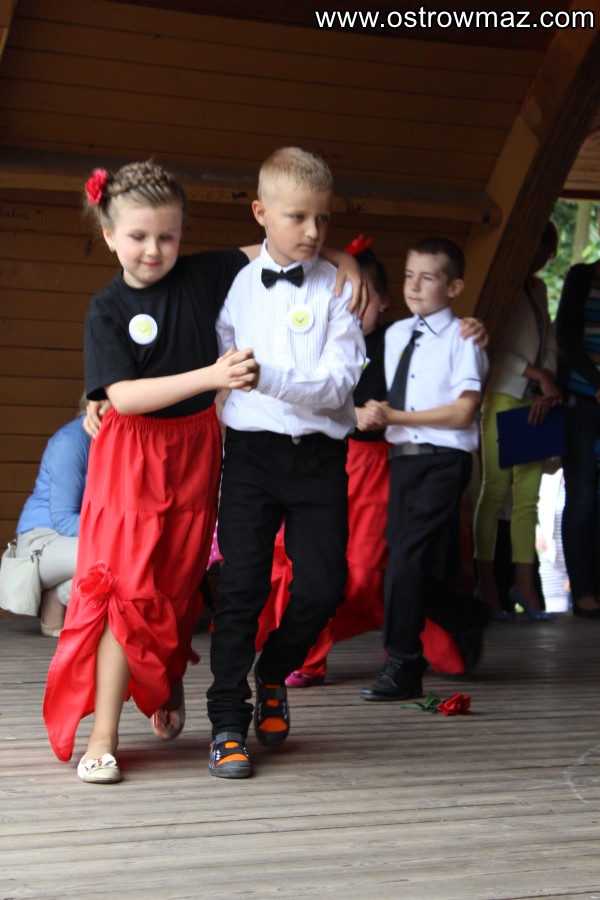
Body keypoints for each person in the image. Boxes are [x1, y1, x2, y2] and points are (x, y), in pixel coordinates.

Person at [44, 160, 364, 785]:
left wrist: (343, 260)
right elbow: (125, 394)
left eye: (167, 236)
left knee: (179, 582)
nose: (154, 249)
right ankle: (114, 734)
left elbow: (280, 242)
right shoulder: (107, 306)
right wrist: (211, 378)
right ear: (108, 235)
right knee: (127, 587)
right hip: (135, 457)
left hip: (196, 451)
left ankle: (169, 684)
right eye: (138, 236)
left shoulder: (210, 272)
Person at [262, 237, 488, 687]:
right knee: (317, 560)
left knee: (383, 564)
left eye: (361, 297)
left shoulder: (404, 335)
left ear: (382, 300)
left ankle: (404, 651)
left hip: (399, 460)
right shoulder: (339, 340)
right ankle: (313, 655)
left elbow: (452, 391)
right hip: (344, 460)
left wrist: (473, 326)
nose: (350, 306)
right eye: (340, 297)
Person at [206, 147, 365, 779]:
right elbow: (220, 360)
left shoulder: (340, 287)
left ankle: (273, 671)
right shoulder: (235, 285)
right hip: (250, 455)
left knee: (324, 586)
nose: (314, 231)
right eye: (298, 217)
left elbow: (337, 385)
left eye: (323, 218)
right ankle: (227, 722)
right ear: (261, 213)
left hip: (320, 457)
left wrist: (263, 376)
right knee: (241, 588)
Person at [360, 237, 488, 702]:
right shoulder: (395, 335)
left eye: (427, 278)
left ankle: (403, 664)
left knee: (407, 560)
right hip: (402, 461)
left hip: (444, 460)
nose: (414, 286)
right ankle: (464, 615)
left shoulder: (464, 338)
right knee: (402, 564)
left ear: (454, 287)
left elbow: (463, 412)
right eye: (409, 276)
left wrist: (395, 416)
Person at [473, 222, 561, 621]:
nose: (540, 262)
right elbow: (494, 343)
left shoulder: (538, 288)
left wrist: (547, 381)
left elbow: (549, 339)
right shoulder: (502, 284)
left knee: (528, 499)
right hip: (503, 392)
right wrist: (538, 375)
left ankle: (524, 585)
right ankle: (487, 585)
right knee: (494, 492)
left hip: (534, 400)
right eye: (537, 253)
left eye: (546, 257)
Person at [15, 401, 91, 637]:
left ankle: (59, 594)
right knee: (115, 555)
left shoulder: (117, 443)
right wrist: (118, 533)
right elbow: (64, 520)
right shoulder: (72, 441)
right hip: (41, 540)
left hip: (76, 539)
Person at [555, 232, 600, 618]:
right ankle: (583, 592)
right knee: (583, 499)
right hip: (582, 402)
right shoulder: (581, 277)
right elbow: (567, 340)